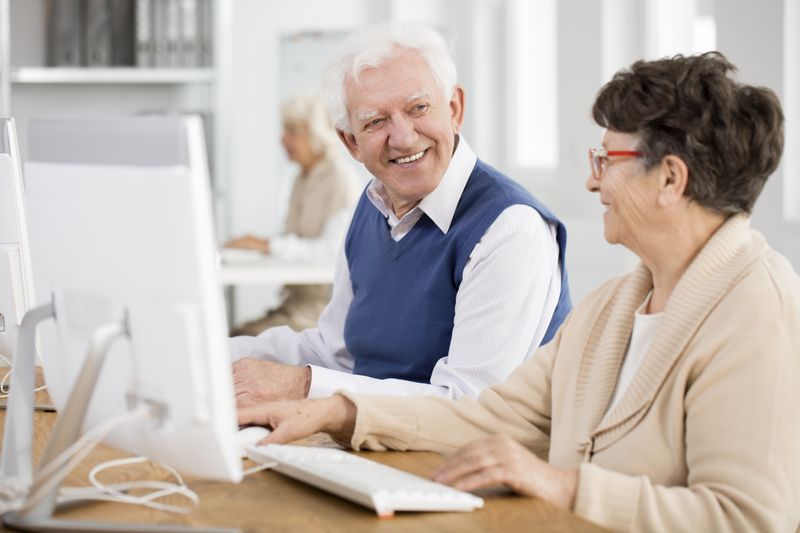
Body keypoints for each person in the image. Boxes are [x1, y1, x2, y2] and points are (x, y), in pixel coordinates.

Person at [239, 52, 800, 532]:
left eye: (606, 160)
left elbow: (745, 519)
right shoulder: (612, 308)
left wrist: (562, 487)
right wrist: (336, 412)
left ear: (671, 179)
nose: (591, 180)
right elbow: (489, 417)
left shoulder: (757, 313)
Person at [229, 23, 571, 405]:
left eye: (418, 108)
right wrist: (218, 357)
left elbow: (465, 405)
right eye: (375, 121)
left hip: (462, 457)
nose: (404, 137)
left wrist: (304, 386)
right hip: (371, 445)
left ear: (455, 109)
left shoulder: (510, 228)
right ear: (351, 142)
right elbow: (335, 351)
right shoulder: (372, 207)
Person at [226, 94, 362, 335]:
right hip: (292, 304)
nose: (282, 138)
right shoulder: (301, 178)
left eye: (293, 130)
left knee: (237, 340)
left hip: (320, 311)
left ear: (317, 133)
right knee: (234, 336)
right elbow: (298, 240)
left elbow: (332, 252)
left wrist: (267, 245)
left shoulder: (341, 179)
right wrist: (256, 246)